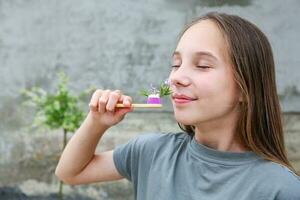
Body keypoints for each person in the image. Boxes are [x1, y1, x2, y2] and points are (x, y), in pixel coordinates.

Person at [55, 12, 300, 199]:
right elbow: (70, 173)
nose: (176, 77)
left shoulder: (280, 188)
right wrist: (96, 123)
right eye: (176, 64)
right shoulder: (151, 152)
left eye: (202, 65)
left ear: (246, 86)